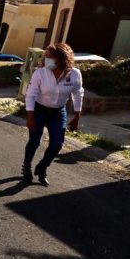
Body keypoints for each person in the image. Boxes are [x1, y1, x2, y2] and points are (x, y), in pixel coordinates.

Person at [23, 43, 84, 187]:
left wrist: (77, 115)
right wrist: (30, 117)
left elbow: (78, 93)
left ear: (62, 59)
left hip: (58, 111)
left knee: (57, 143)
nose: (47, 60)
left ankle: (43, 166)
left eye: (51, 57)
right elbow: (31, 95)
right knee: (34, 141)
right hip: (39, 110)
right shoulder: (41, 73)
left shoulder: (74, 74)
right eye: (47, 56)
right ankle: (26, 167)